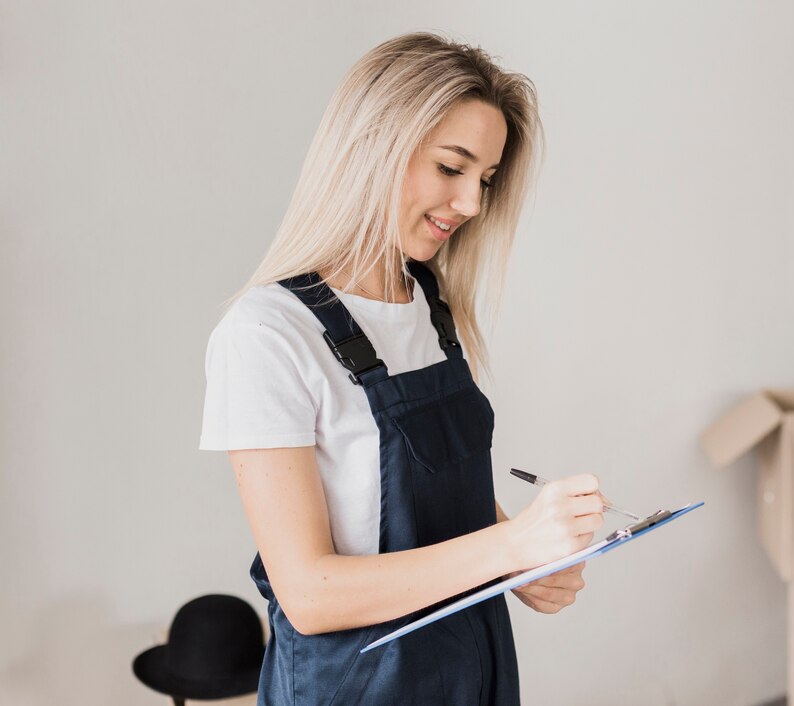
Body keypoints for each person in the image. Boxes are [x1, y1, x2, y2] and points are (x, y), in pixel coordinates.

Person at [199, 32, 606, 705]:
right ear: (373, 148)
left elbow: (445, 505)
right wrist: (507, 549)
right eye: (452, 168)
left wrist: (527, 556)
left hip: (474, 673)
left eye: (485, 180)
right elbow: (309, 595)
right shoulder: (266, 335)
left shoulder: (431, 306)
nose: (473, 204)